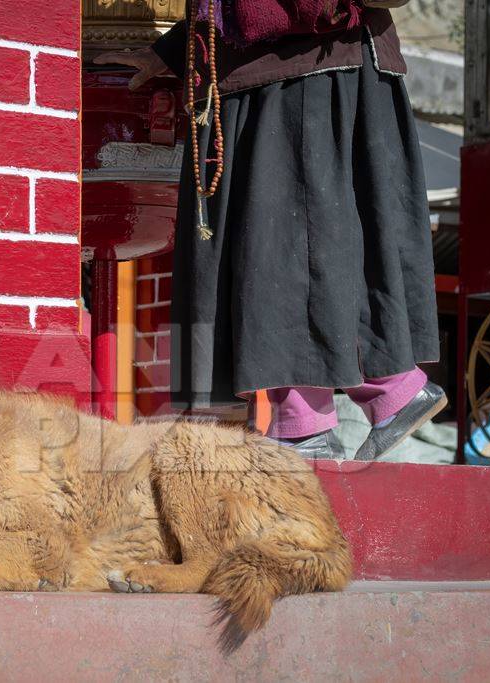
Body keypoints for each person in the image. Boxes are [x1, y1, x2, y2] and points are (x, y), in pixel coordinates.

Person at [96, 0, 445, 460]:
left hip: (306, 71)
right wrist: (175, 48)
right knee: (283, 243)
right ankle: (386, 392)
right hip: (272, 72)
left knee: (285, 246)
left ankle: (309, 425)